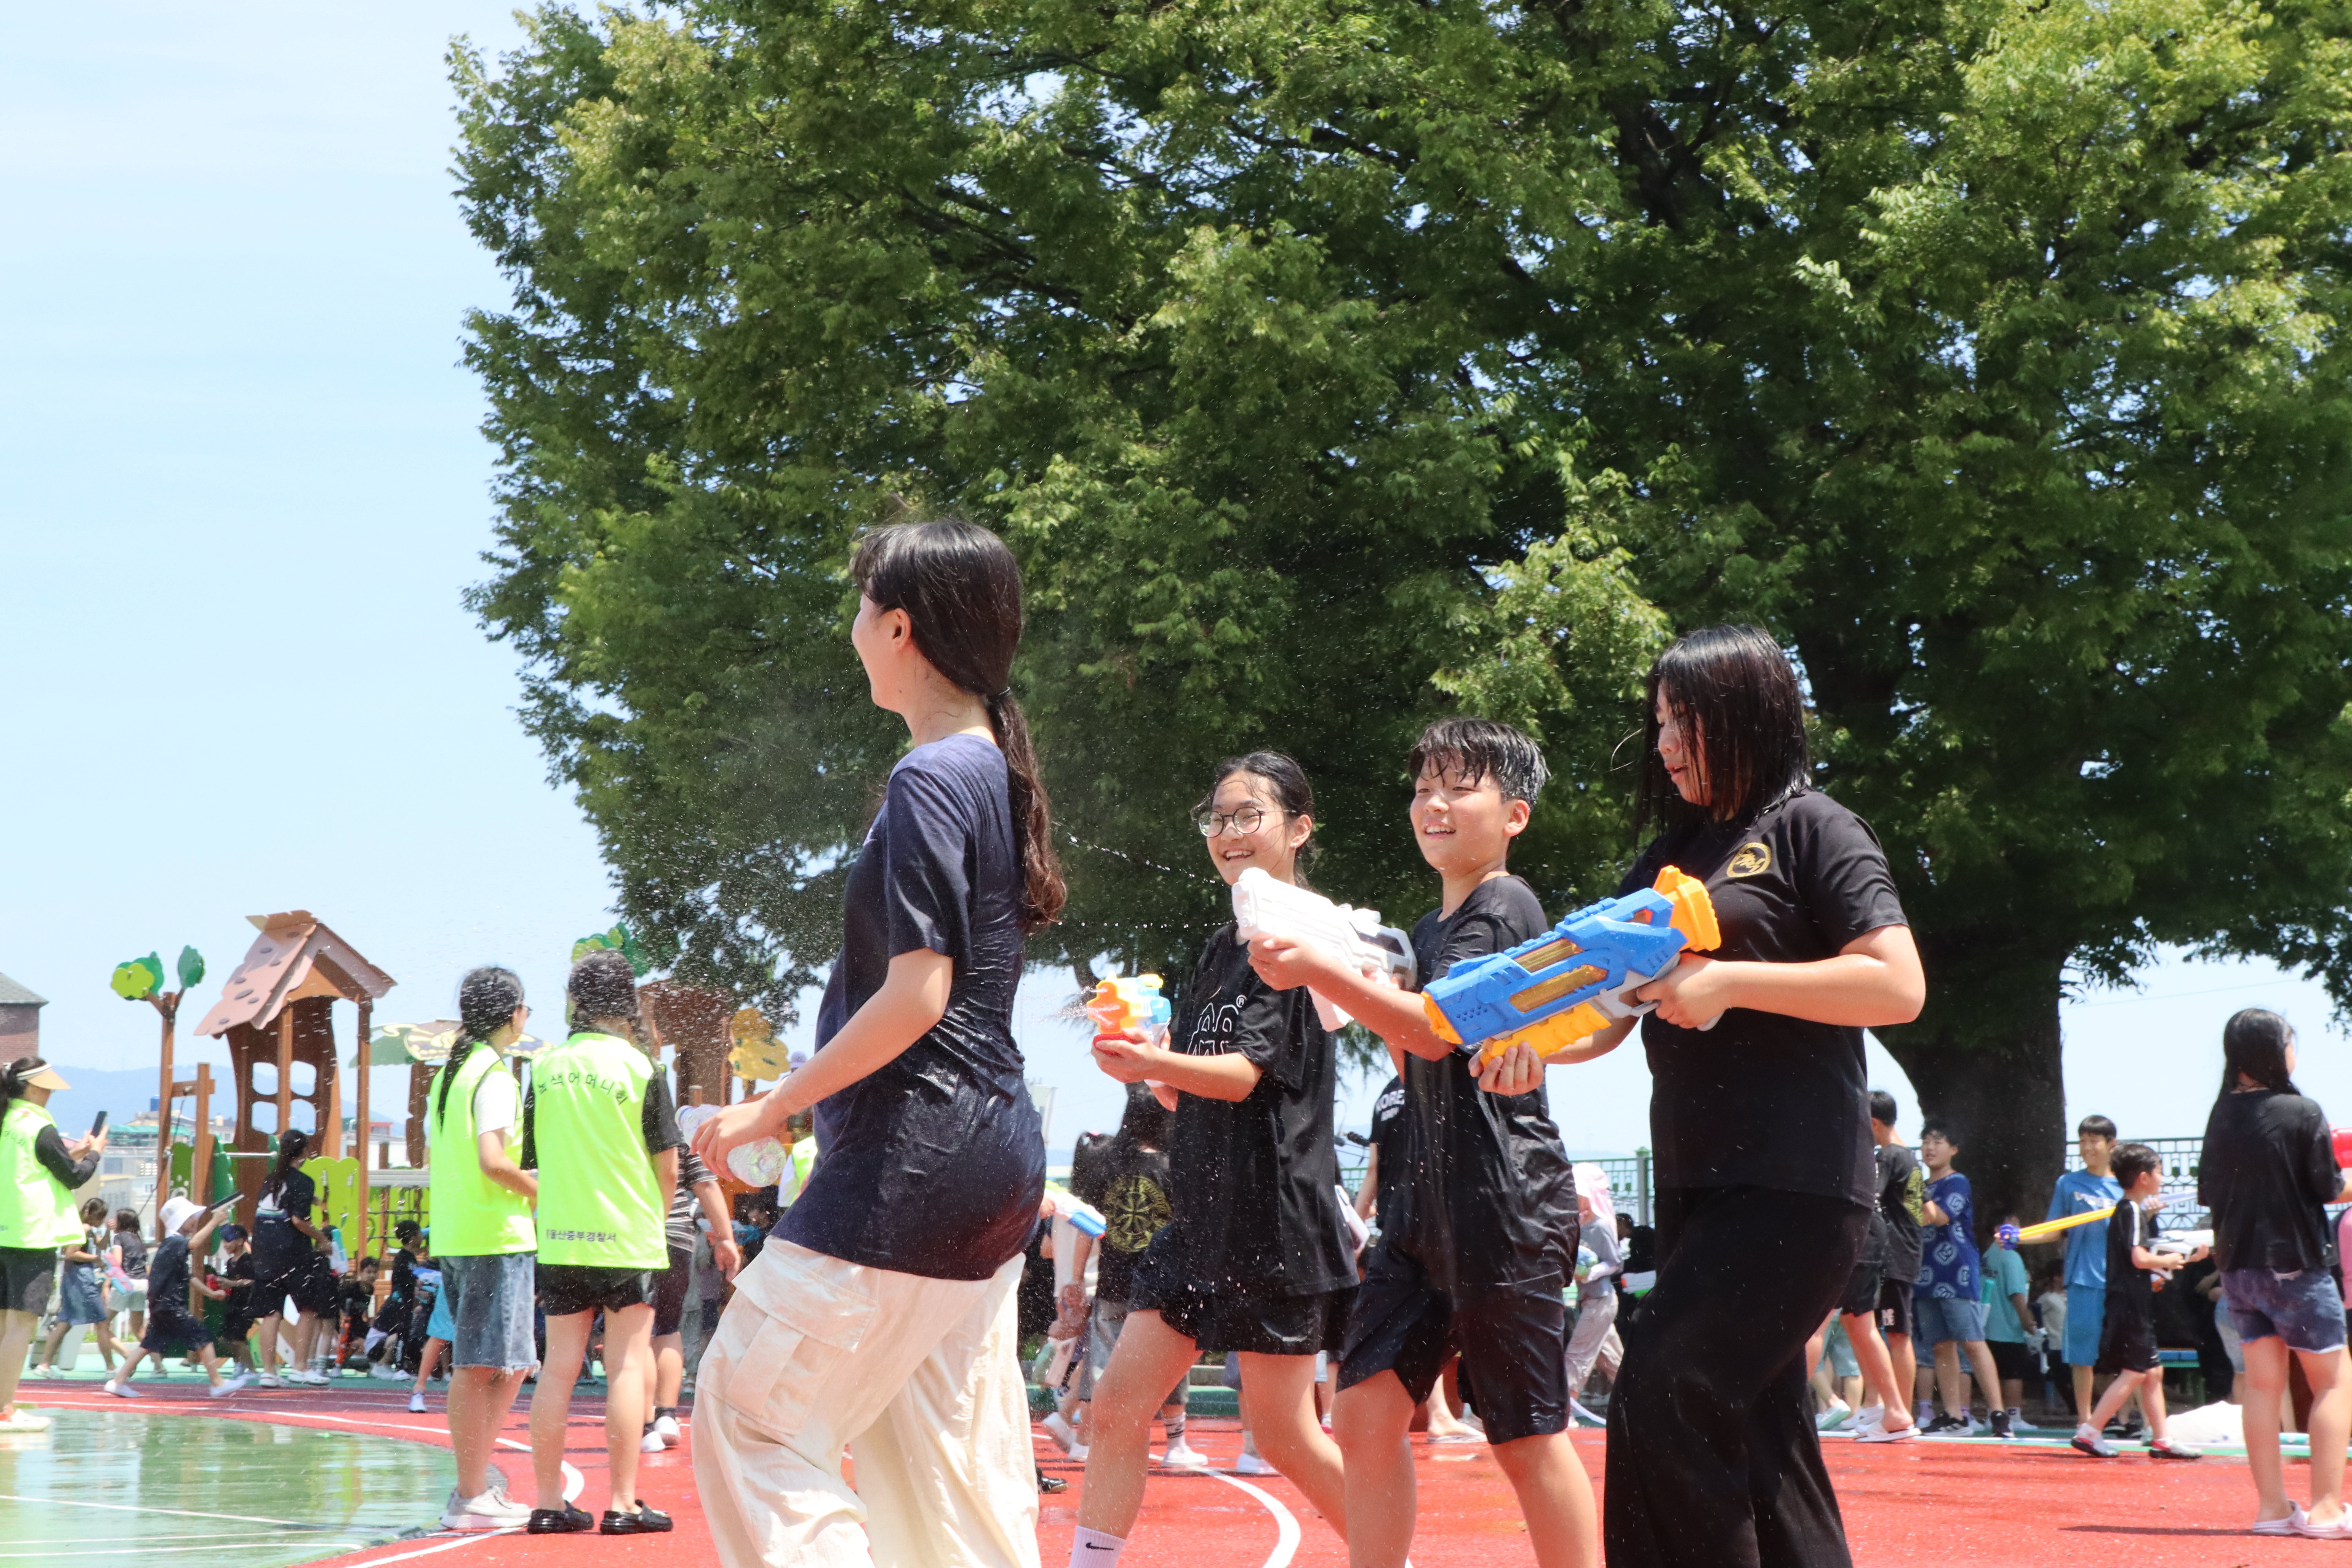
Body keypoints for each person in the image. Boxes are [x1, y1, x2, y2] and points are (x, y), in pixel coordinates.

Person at [691, 519, 1057, 1568]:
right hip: (990, 1168)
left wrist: (775, 1105)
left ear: (899, 627)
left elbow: (918, 994)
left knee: (755, 1418)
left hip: (913, 1161)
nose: (851, 630)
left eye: (860, 610)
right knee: (946, 1480)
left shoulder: (934, 778)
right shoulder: (986, 767)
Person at [1553, 626, 1926, 1568]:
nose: (1665, 743)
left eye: (1685, 722)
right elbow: (1602, 1009)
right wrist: (1507, 1040)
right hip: (1696, 1184)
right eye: (1661, 722)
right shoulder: (1667, 853)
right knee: (1765, 1435)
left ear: (1747, 717)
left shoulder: (1814, 828)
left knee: (1664, 1389)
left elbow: (1896, 983)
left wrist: (1729, 981)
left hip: (1797, 1182)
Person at [1250, 717, 1596, 1568]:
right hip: (1419, 1207)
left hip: (1505, 1202)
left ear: (1514, 814)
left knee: (1524, 1434)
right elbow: (1418, 1054)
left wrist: (1319, 970)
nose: (1433, 803)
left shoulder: (1503, 906)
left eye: (1459, 785)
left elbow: (1439, 1032)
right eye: (1423, 786)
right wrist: (1366, 975)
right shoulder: (1427, 929)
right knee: (1365, 1410)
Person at [1077, 752, 1358, 1565]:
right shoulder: (1217, 944)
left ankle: (1391, 1553)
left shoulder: (1296, 938)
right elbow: (1194, 1094)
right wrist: (1150, 1062)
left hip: (1275, 1220)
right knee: (1118, 1405)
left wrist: (1156, 1066)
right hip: (1197, 1217)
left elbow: (1244, 1078)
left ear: (1299, 829)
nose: (1228, 832)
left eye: (1248, 815)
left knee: (1283, 1433)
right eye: (1217, 818)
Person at [522, 951, 679, 1535]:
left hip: (560, 1236)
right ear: (629, 1004)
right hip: (627, 1239)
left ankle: (545, 1501)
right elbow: (668, 1167)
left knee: (559, 1369)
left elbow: (532, 1162)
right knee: (625, 1368)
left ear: (575, 1001)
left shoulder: (543, 1067)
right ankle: (623, 1503)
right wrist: (654, 1223)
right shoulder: (641, 1068)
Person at [2197, 1008, 2352, 1534]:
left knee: (2263, 1387)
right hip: (2296, 1267)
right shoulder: (2300, 1111)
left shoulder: (2221, 1115)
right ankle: (2328, 1508)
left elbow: (2210, 1194)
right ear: (2273, 1049)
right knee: (2333, 1381)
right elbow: (2330, 1190)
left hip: (2239, 1271)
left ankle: (2273, 1509)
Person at [424, 966, 544, 1530]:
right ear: (511, 1014)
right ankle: (471, 1494)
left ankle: (474, 1487)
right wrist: (545, 1193)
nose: (527, 1018)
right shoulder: (494, 1074)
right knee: (489, 1366)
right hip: (496, 1234)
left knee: (497, 1364)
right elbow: (494, 1162)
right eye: (525, 1009)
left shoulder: (452, 1074)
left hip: (456, 1231)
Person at [1046, 1089, 1193, 1466]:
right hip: (1162, 1286)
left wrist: (1077, 1278)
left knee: (1103, 1365)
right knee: (1171, 1361)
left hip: (1113, 1283)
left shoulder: (1107, 1167)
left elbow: (1089, 1229)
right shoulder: (1175, 1167)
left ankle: (1089, 1438)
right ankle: (1176, 1446)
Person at [2072, 1142, 2206, 1459]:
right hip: (2130, 1304)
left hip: (2132, 1301)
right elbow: (2138, 1257)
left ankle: (2162, 1439)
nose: (2162, 1178)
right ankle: (2090, 1432)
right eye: (2159, 1171)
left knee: (2153, 1372)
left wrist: (2178, 1259)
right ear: (2144, 1177)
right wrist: (2172, 1259)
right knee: (2134, 1372)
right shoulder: (2131, 1209)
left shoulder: (2133, 1211)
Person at [0, 1058, 103, 1430]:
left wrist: (69, 1154)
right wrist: (94, 1153)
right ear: (32, 1087)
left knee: (4, 1325)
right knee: (21, 1325)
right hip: (31, 1233)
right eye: (46, 1086)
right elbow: (74, 1177)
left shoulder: (6, 1121)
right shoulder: (40, 1126)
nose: (50, 1093)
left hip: (3, 1233)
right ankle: (5, 1410)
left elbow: (29, 1167)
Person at [644, 1076, 741, 1455]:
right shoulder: (681, 1137)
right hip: (678, 1241)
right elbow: (707, 1186)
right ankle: (667, 1414)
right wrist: (726, 1238)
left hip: (635, 1239)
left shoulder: (622, 1131)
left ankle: (644, 1422)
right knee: (668, 1328)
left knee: (634, 1333)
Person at [1911, 1121, 2011, 1436]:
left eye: (1938, 1141)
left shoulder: (1958, 1183)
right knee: (1941, 1346)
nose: (1930, 1147)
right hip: (1925, 1274)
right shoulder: (1920, 1187)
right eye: (1926, 1141)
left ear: (1954, 1149)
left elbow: (1936, 1216)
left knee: (1972, 1341)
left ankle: (1999, 1415)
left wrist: (1912, 1186)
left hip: (1958, 1273)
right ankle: (1954, 1417)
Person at [102, 1196, 248, 1399]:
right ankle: (217, 1382)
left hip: (160, 1305)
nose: (195, 1221)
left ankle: (118, 1382)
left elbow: (188, 1277)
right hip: (171, 1305)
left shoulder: (172, 1246)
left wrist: (210, 1293)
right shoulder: (175, 1242)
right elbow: (195, 1244)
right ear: (180, 1220)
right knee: (203, 1337)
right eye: (191, 1218)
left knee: (148, 1344)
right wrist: (215, 1221)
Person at [2049, 1114, 2123, 1421]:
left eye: (2094, 1141)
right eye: (2082, 1141)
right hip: (2082, 1278)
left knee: (2131, 1355)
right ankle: (2085, 1421)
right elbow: (2053, 1229)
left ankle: (2128, 1422)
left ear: (2112, 1144)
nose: (2087, 1147)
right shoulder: (2068, 1183)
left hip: (2121, 1281)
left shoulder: (2126, 1184)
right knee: (2082, 1356)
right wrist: (2018, 1239)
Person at [250, 1128, 338, 1387]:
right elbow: (299, 1221)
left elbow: (279, 1205)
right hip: (293, 1253)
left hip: (263, 1253)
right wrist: (322, 1240)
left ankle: (269, 1373)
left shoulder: (270, 1180)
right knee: (308, 1310)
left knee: (271, 1313)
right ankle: (300, 1368)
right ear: (304, 1151)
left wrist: (309, 1199)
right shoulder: (303, 1181)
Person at [34, 1197, 122, 1376]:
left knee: (65, 1322)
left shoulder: (85, 1229)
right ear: (89, 1213)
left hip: (73, 1279)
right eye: (99, 1217)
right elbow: (71, 1253)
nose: (101, 1221)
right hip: (81, 1280)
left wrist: (108, 1233)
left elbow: (101, 1245)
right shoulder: (82, 1229)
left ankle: (44, 1364)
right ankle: (111, 1367)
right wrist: (96, 1259)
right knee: (102, 1322)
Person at [1563, 1165, 1622, 1425]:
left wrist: (1593, 1272)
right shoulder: (1576, 1226)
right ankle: (1646, 1406)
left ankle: (1563, 1413)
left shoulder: (1600, 1227)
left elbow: (1616, 1261)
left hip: (1601, 1300)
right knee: (1615, 1363)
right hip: (1589, 1300)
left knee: (1578, 1354)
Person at [1978, 1216, 2034, 1431]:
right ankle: (2014, 1416)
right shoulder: (2011, 1257)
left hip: (1988, 1323)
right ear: (1998, 1229)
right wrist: (2028, 1322)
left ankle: (1993, 1413)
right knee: (2013, 1373)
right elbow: (2017, 1294)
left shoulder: (1988, 1255)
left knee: (1993, 1371)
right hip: (2009, 1327)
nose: (2020, 1230)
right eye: (2014, 1225)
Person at [110, 1208, 149, 1341]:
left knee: (102, 1323)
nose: (113, 1222)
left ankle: (126, 1356)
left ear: (122, 1222)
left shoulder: (119, 1238)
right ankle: (157, 1360)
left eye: (116, 1220)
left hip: (125, 1282)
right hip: (142, 1283)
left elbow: (117, 1263)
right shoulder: (139, 1240)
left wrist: (106, 1282)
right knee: (139, 1329)